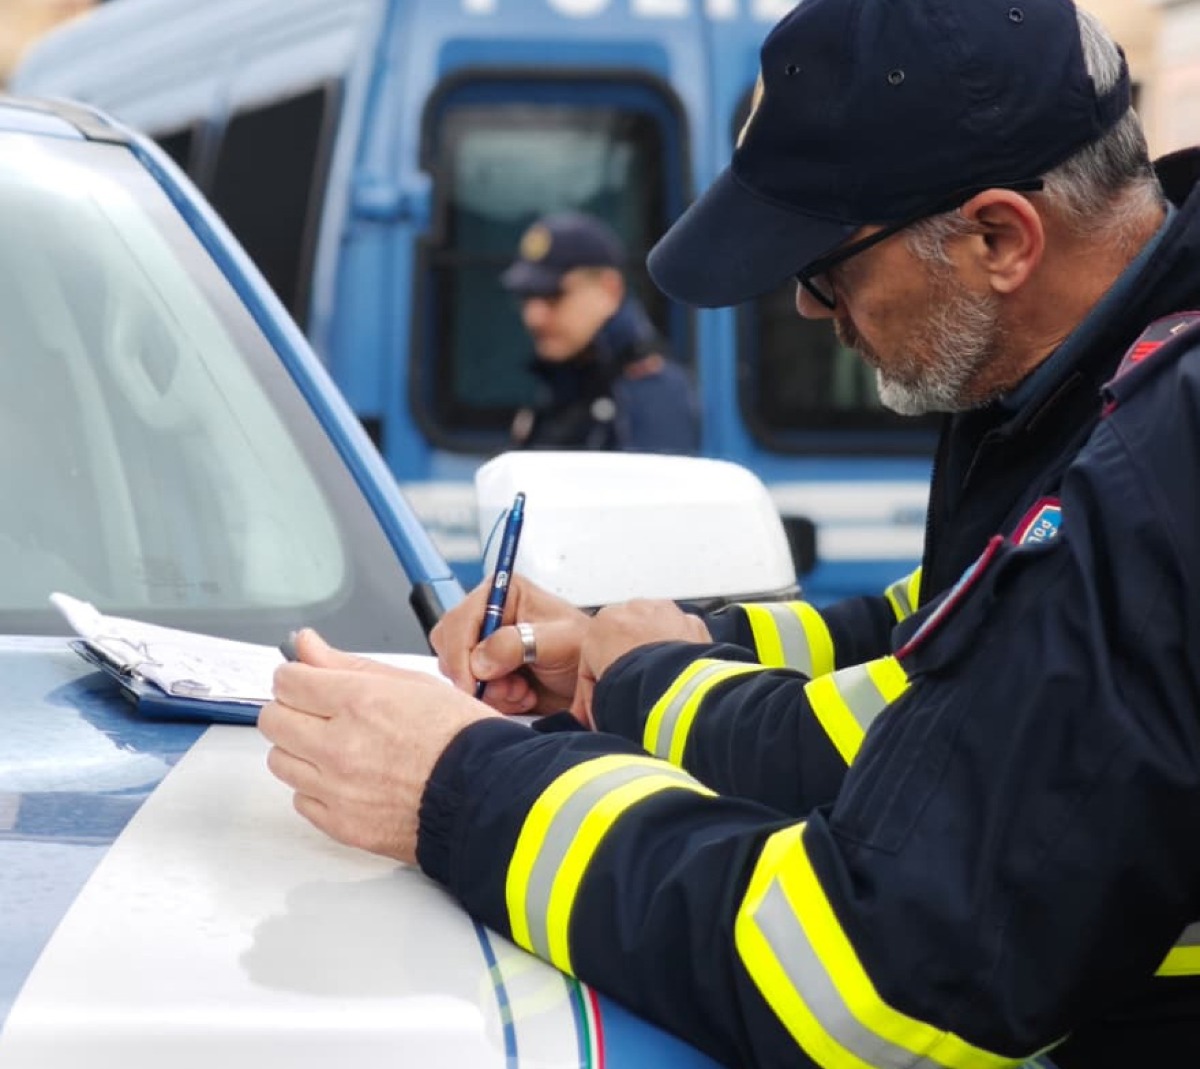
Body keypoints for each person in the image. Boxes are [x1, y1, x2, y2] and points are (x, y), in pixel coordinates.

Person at [258, 1, 1200, 1066]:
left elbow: (869, 980)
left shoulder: (1154, 466)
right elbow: (947, 643)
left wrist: (458, 790)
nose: (807, 310)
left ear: (998, 238)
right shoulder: (1104, 399)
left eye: (826, 268)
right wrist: (638, 654)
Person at [498, 210, 699, 454]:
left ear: (609, 290)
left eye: (554, 296)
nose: (534, 317)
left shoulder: (650, 394)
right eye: (527, 298)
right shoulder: (572, 378)